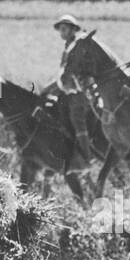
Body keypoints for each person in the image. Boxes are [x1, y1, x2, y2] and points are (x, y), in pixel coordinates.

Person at [41, 13, 97, 161]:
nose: (62, 32)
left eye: (65, 29)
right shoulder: (68, 47)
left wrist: (49, 89)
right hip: (69, 90)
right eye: (60, 29)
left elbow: (71, 75)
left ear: (73, 30)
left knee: (76, 118)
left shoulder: (77, 48)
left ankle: (86, 157)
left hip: (80, 91)